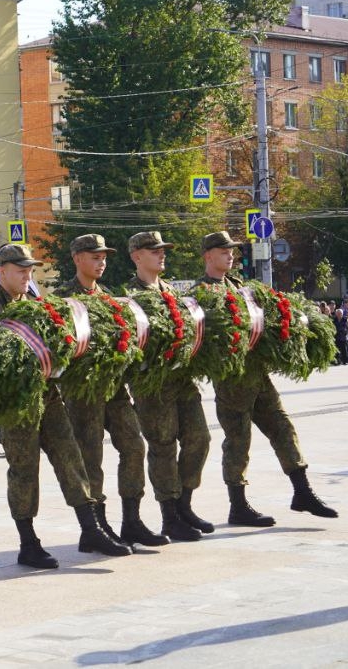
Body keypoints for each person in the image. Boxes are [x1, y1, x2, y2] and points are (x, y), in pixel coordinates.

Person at [0, 244, 127, 569]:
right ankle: (28, 543)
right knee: (24, 471)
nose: (27, 275)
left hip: (49, 396)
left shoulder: (35, 302)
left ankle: (91, 529)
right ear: (1, 271)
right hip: (16, 405)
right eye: (20, 270)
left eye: (29, 269)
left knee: (71, 458)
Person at [196, 231, 337, 527]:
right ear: (208, 255)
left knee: (283, 427)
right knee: (238, 441)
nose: (231, 254)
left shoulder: (240, 286)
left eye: (232, 250)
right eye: (224, 250)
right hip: (232, 380)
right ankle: (238, 505)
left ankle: (303, 491)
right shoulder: (201, 293)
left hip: (258, 375)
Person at [59, 234, 167, 548]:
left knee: (134, 446)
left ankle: (131, 521)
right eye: (95, 256)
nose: (101, 262)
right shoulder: (63, 297)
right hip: (84, 390)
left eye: (104, 257)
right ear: (78, 258)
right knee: (91, 457)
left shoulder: (109, 296)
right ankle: (96, 526)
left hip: (115, 388)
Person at [124, 231, 212, 543]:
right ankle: (169, 515)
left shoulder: (171, 291)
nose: (162, 255)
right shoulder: (128, 296)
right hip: (152, 383)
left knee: (200, 438)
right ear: (137, 256)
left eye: (163, 250)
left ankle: (184, 504)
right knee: (162, 447)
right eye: (154, 250)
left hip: (181, 378)